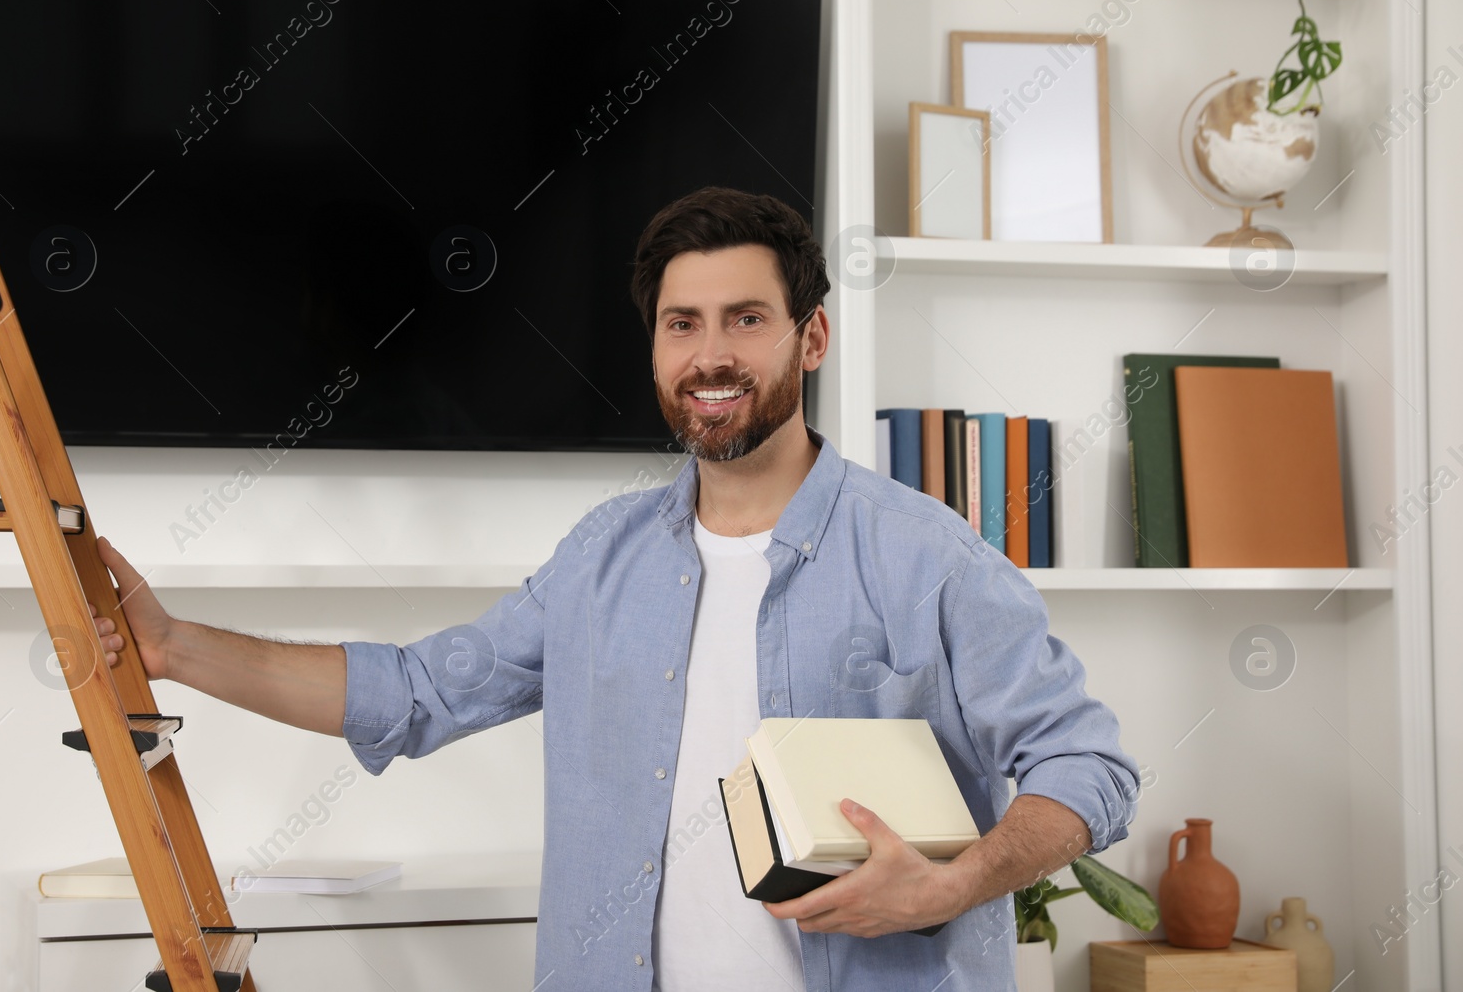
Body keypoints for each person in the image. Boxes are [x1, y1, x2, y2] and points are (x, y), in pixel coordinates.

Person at [92, 186, 1139, 991]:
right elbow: (412, 691)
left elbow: (1087, 763)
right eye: (681, 323)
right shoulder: (601, 557)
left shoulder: (929, 554)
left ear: (809, 336)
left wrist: (955, 881)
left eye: (744, 318)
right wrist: (175, 643)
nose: (710, 354)